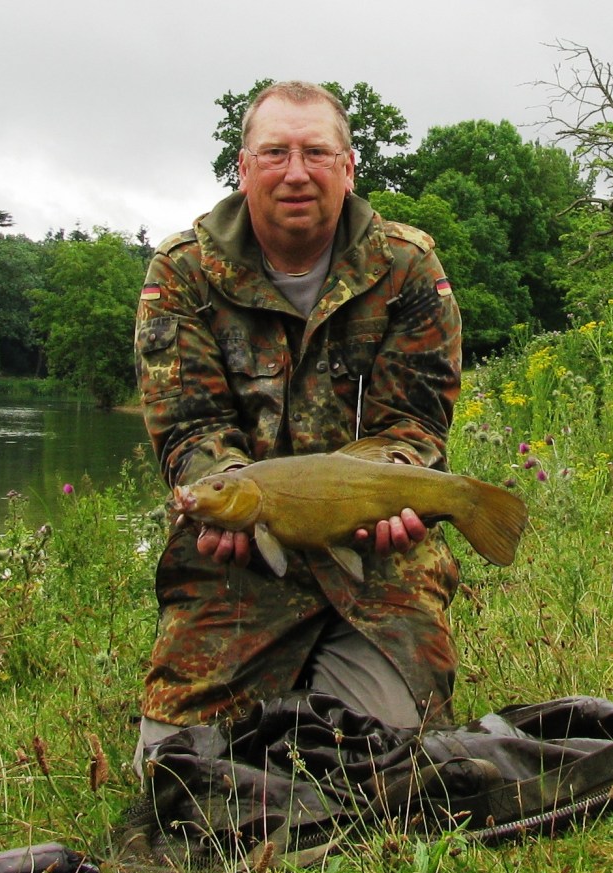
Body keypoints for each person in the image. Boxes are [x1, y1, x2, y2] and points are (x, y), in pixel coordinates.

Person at [133, 81, 463, 764]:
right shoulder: (182, 274)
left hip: (375, 557)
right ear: (243, 166)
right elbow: (190, 430)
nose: (295, 172)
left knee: (384, 758)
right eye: (275, 152)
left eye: (316, 152)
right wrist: (219, 492)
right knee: (176, 770)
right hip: (240, 561)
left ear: (348, 168)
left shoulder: (406, 266)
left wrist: (398, 482)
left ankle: (336, 674)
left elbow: (416, 423)